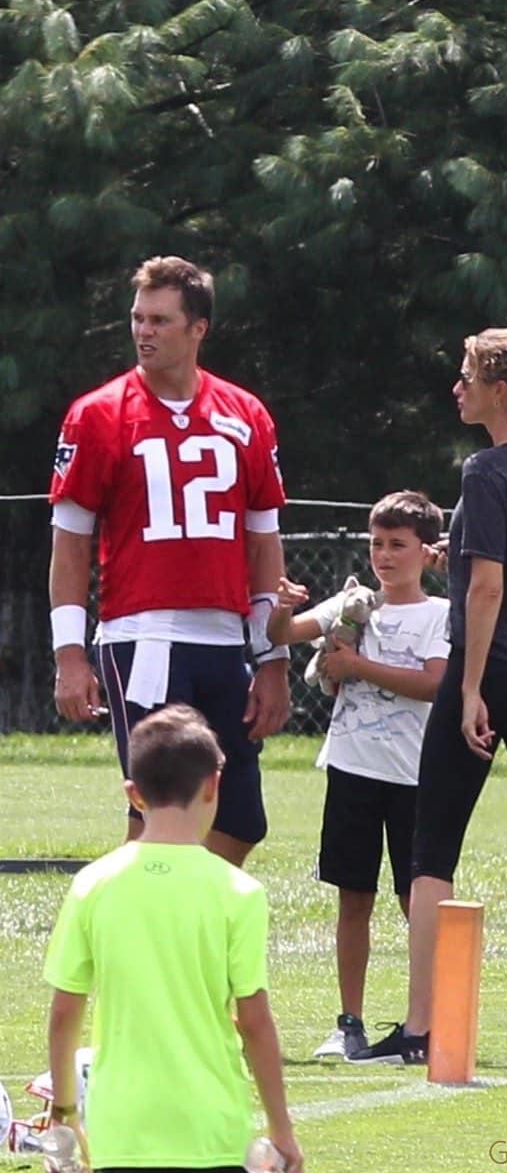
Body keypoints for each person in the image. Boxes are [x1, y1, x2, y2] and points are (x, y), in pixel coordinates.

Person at [350, 326, 507, 1067]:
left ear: (499, 390)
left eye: (465, 377)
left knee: (433, 850)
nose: (455, 388)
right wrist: (456, 558)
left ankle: (422, 1025)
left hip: (491, 674)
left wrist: (467, 689)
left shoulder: (486, 469)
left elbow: (490, 586)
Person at [48, 255, 290, 867]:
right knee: (160, 811)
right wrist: (69, 654)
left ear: (198, 328)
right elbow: (70, 542)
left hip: (223, 640)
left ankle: (187, 927)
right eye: (137, 318)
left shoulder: (245, 414)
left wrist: (274, 658)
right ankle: (128, 941)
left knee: (239, 818)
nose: (143, 331)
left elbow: (263, 544)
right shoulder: (99, 413)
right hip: (143, 637)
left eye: (160, 319)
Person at [44, 703, 303, 1173]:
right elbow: (255, 1023)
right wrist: (281, 1130)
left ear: (133, 794)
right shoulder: (239, 891)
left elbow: (65, 1012)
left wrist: (64, 1110)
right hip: (212, 1129)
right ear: (213, 785)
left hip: (120, 1131)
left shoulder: (93, 884)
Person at [268, 490, 450, 1059]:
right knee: (354, 897)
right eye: (377, 544)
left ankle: (432, 1018)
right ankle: (350, 1020)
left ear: (426, 552)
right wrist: (281, 605)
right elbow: (282, 634)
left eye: (398, 545)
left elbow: (433, 684)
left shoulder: (439, 615)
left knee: (415, 899)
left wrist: (356, 666)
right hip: (352, 769)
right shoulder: (351, 603)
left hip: (413, 776)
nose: (385, 556)